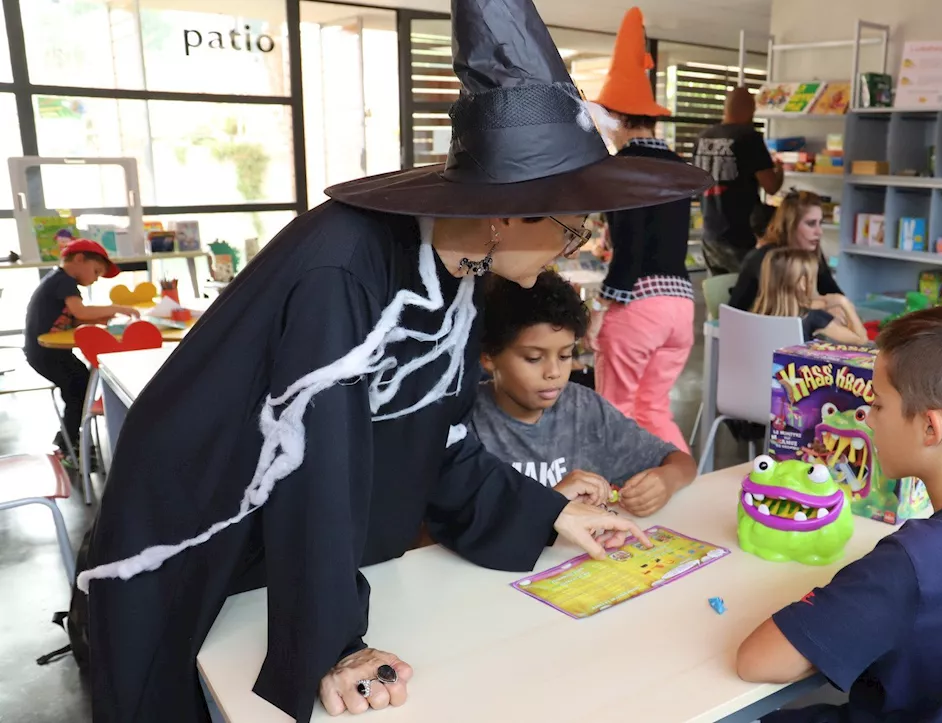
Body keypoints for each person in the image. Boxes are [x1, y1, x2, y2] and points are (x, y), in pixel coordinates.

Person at [76, 0, 712, 719]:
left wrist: (550, 515)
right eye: (570, 233)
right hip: (201, 519)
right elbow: (315, 466)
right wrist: (332, 645)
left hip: (284, 536)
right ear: (509, 210)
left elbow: (439, 436)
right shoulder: (342, 272)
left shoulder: (465, 268)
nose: (574, 250)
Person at [736, 304, 942, 723]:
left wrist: (841, 624)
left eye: (877, 406)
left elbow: (758, 660)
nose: (867, 420)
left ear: (931, 429)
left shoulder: (914, 562)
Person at [469, 271, 697, 517]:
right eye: (533, 358)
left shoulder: (586, 409)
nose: (554, 372)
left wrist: (666, 480)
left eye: (566, 355)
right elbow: (457, 522)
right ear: (488, 356)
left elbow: (681, 463)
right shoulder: (467, 420)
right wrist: (552, 502)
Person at [586, 7, 695, 452]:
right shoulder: (677, 168)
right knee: (654, 409)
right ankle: (677, 487)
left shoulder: (624, 169)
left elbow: (629, 250)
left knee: (615, 410)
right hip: (681, 307)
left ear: (619, 118)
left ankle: (617, 507)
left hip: (639, 307)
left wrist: (599, 308)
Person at [23, 239, 138, 459]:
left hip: (46, 352)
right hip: (46, 353)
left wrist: (104, 319)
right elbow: (81, 313)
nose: (95, 279)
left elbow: (73, 319)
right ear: (79, 259)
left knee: (81, 385)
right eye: (96, 272)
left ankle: (68, 437)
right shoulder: (64, 281)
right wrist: (118, 308)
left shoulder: (59, 280)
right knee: (78, 391)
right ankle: (69, 444)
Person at [693, 86, 784, 275]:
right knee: (750, 294)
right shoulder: (749, 138)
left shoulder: (702, 139)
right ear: (750, 110)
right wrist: (780, 169)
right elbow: (771, 187)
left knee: (719, 294)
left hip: (710, 233)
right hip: (741, 235)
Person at [729, 190, 844, 313]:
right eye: (811, 224)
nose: (819, 232)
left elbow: (835, 295)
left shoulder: (812, 254)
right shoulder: (769, 258)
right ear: (790, 225)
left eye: (820, 223)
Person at [751, 248, 867, 344]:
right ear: (802, 283)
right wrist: (844, 303)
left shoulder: (756, 312)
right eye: (813, 278)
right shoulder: (811, 317)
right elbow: (860, 339)